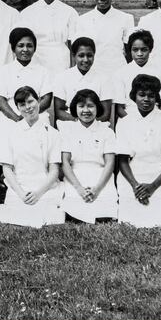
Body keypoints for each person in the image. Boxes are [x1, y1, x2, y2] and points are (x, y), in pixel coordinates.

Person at [115, 75, 161, 228]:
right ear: (134, 96)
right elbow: (122, 160)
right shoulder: (124, 123)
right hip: (133, 174)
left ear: (157, 98)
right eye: (142, 95)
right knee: (130, 219)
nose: (146, 99)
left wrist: (153, 186)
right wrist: (135, 186)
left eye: (151, 96)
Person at [0, 87, 65, 228]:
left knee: (51, 213)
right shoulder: (10, 133)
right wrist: (20, 192)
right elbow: (7, 169)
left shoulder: (53, 134)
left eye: (30, 102)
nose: (28, 107)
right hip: (19, 187)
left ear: (38, 101)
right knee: (17, 209)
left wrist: (38, 193)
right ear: (18, 108)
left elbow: (54, 170)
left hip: (45, 188)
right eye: (22, 104)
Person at [60, 89, 118, 223]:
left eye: (90, 106)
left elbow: (110, 163)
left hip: (101, 176)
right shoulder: (68, 131)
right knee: (74, 210)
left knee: (104, 212)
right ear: (75, 108)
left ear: (97, 108)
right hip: (75, 176)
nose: (86, 110)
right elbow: (65, 162)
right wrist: (79, 189)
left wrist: (97, 189)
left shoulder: (107, 132)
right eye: (81, 106)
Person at [17, 0, 78, 77]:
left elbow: (73, 47)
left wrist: (73, 73)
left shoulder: (69, 12)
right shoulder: (27, 13)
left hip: (61, 65)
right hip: (35, 64)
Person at [75, 0, 135, 75]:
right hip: (92, 72)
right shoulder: (82, 20)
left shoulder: (126, 18)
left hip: (118, 71)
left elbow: (129, 52)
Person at [0, 27, 53, 123]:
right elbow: (0, 100)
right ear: (13, 48)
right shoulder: (3, 71)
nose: (25, 49)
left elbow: (47, 99)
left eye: (29, 46)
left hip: (37, 115)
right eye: (20, 46)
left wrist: (30, 115)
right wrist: (16, 119)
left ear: (35, 48)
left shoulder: (43, 71)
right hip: (10, 117)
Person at [114, 29, 161, 118]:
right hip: (129, 117)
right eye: (135, 50)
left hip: (155, 117)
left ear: (150, 50)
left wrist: (153, 120)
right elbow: (119, 108)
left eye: (144, 50)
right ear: (130, 50)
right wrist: (134, 122)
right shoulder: (121, 73)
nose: (139, 54)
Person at [51, 37, 113, 124]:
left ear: (94, 55)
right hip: (71, 123)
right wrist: (79, 123)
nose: (86, 60)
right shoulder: (62, 77)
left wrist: (89, 124)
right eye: (81, 55)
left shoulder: (104, 79)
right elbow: (59, 111)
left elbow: (106, 114)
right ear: (73, 56)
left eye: (89, 55)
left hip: (96, 125)